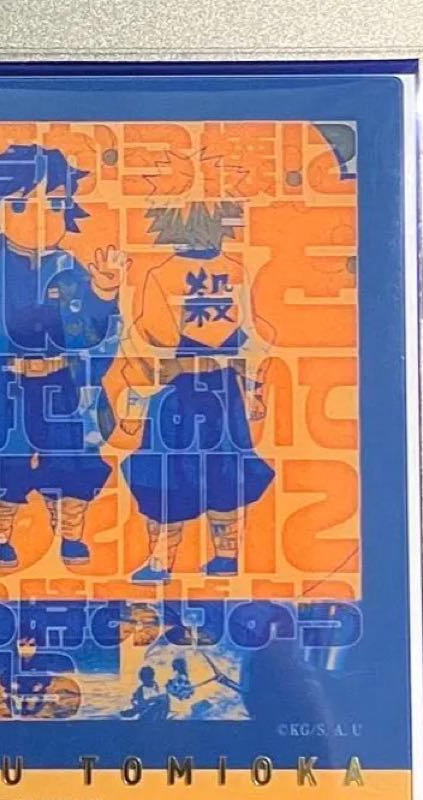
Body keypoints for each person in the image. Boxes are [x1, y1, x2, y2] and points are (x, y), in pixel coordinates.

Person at [0, 144, 128, 569]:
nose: (39, 218)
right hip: (2, 386)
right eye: (19, 205)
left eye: (54, 204)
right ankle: (0, 537)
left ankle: (71, 534)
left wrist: (104, 293)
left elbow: (91, 333)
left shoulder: (70, 268)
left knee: (72, 459)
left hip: (61, 385)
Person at [117, 201, 275, 581]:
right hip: (222, 391)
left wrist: (134, 404)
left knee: (171, 474)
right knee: (224, 468)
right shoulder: (234, 270)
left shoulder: (162, 275)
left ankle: (163, 562)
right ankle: (224, 557)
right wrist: (253, 388)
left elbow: (147, 344)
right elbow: (253, 337)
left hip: (178, 392)